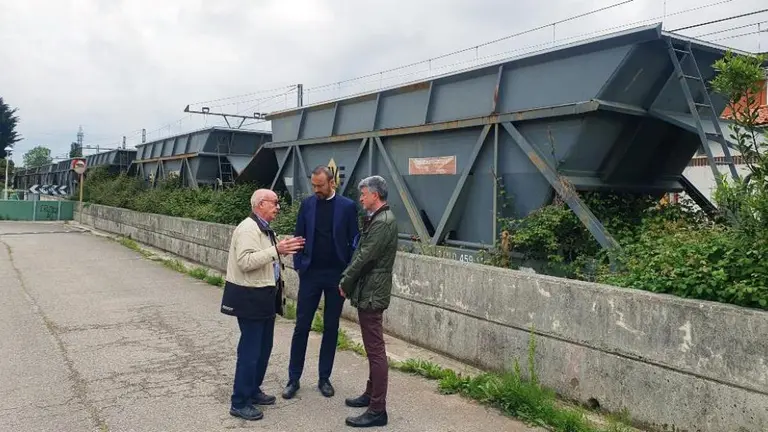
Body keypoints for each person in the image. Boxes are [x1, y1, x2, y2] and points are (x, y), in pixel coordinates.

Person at [220, 188, 305, 421]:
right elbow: (245, 261)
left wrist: (280, 250)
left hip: (264, 295)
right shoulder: (248, 228)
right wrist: (276, 250)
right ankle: (239, 401)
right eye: (274, 203)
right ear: (260, 204)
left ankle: (253, 390)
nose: (278, 207)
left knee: (263, 348)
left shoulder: (264, 228)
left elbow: (267, 257)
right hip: (250, 296)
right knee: (250, 351)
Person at [283, 165, 360, 400]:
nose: (316, 189)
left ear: (331, 183)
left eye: (320, 185)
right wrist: (299, 265)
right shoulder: (307, 205)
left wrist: (348, 274)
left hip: (336, 275)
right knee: (301, 326)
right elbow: (298, 237)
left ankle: (324, 378)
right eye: (313, 185)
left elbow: (355, 242)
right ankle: (293, 379)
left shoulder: (347, 206)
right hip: (311, 274)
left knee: (331, 327)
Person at [338, 175, 398, 428]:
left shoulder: (382, 222)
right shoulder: (380, 218)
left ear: (375, 195)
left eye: (363, 194)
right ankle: (370, 395)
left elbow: (365, 256)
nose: (360, 198)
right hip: (371, 289)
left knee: (375, 351)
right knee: (373, 348)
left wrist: (345, 281)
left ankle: (377, 409)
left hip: (373, 292)